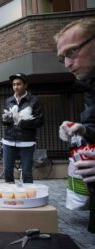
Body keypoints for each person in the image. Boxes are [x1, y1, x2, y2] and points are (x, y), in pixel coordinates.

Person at [55, 17, 95, 233]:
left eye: (72, 52)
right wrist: (84, 129)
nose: (68, 64)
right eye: (63, 58)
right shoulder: (89, 85)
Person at [1, 73, 44, 183]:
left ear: (25, 85)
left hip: (27, 141)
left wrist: (21, 122)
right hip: (9, 141)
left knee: (26, 173)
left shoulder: (34, 101)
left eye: (19, 84)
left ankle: (28, 198)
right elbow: (6, 121)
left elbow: (40, 121)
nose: (16, 87)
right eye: (14, 84)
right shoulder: (8, 100)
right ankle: (10, 196)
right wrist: (5, 120)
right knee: (7, 172)